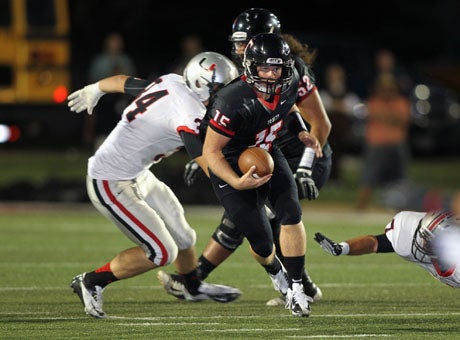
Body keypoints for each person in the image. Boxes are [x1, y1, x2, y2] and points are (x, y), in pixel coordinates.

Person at [160, 7, 332, 308]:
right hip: (258, 151)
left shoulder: (290, 74)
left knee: (279, 215)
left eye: (245, 42)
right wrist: (202, 158)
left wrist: (305, 167)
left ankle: (295, 286)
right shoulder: (243, 81)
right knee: (252, 222)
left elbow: (321, 124)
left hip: (299, 156)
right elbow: (222, 134)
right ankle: (292, 283)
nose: (238, 49)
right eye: (238, 43)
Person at [66, 51, 241, 319]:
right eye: (221, 89)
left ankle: (190, 287)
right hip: (110, 179)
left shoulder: (172, 81)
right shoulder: (190, 111)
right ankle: (91, 282)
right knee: (162, 251)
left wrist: (95, 89)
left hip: (138, 173)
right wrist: (237, 187)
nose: (227, 96)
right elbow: (208, 161)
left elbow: (124, 82)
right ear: (200, 85)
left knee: (184, 237)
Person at [203, 32, 322, 317]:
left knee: (291, 212)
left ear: (285, 67)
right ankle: (274, 271)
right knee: (262, 241)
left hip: (266, 152)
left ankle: (295, 288)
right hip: (231, 163)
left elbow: (290, 105)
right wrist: (235, 181)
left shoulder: (291, 80)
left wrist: (300, 131)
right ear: (250, 67)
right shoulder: (232, 101)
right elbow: (211, 152)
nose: (270, 74)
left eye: (276, 67)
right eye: (264, 68)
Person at [314, 209, 460, 287]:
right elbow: (375, 243)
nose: (423, 244)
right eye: (424, 238)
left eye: (429, 242)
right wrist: (342, 248)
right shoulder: (411, 230)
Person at [355, 74, 412, 210]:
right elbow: (373, 115)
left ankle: (401, 211)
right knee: (368, 178)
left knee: (400, 182)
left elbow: (403, 120)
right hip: (376, 144)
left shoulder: (401, 102)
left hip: (396, 144)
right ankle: (359, 209)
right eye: (383, 88)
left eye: (389, 88)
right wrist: (390, 118)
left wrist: (383, 117)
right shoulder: (373, 102)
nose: (387, 91)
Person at [83, 33, 137, 150]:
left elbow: (132, 81)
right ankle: (95, 145)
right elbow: (93, 80)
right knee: (99, 124)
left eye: (118, 42)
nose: (115, 45)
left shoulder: (125, 60)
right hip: (103, 99)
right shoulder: (100, 61)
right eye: (113, 42)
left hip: (121, 100)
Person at [319, 63, 361, 182]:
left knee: (338, 154)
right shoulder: (322, 92)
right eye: (332, 76)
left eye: (338, 76)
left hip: (342, 134)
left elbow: (353, 106)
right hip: (326, 134)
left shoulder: (348, 93)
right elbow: (321, 105)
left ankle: (337, 178)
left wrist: (336, 106)